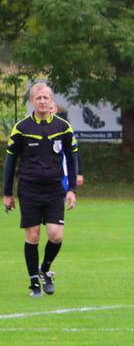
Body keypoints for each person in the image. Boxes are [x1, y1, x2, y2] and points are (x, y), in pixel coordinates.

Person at [3, 83, 80, 297]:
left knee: (56, 236)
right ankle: (34, 284)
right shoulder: (22, 128)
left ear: (51, 100)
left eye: (46, 97)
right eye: (38, 98)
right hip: (29, 189)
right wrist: (7, 193)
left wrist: (71, 189)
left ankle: (45, 270)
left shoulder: (63, 127)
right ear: (32, 102)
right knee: (33, 236)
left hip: (55, 189)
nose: (43, 101)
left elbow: (72, 158)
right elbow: (10, 161)